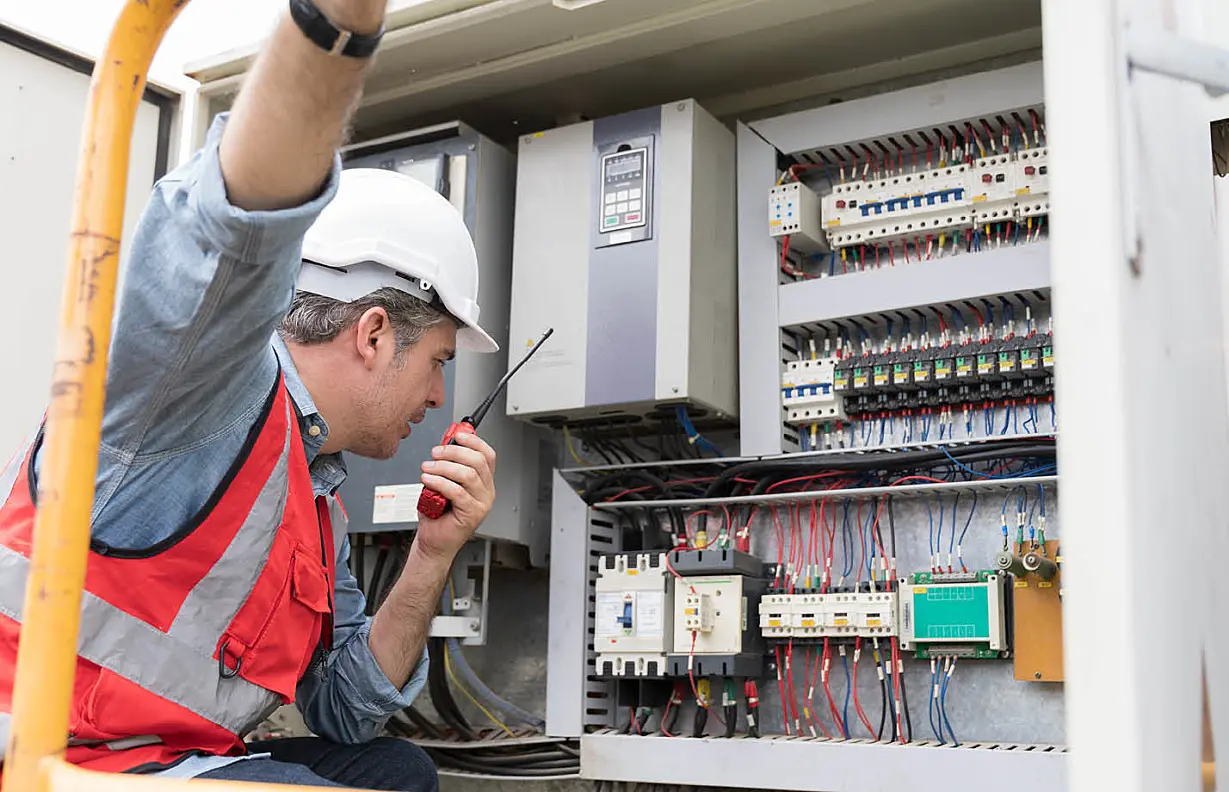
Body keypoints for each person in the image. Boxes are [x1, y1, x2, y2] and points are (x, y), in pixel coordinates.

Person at [0, 1, 497, 789]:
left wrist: (431, 556)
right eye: (436, 360)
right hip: (46, 757)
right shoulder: (204, 393)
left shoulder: (313, 494)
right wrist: (337, 27)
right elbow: (236, 230)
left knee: (392, 771)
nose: (439, 395)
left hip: (165, 760)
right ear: (371, 334)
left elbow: (343, 710)